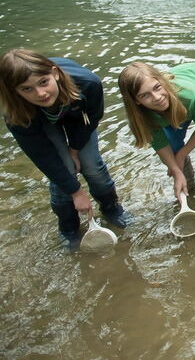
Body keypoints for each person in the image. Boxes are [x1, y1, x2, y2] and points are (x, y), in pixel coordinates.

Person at [0, 49, 133, 243]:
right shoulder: (15, 113)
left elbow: (92, 119)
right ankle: (68, 227)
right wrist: (76, 192)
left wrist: (75, 149)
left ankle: (111, 207)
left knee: (93, 167)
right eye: (26, 89)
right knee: (65, 171)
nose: (40, 93)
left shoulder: (88, 84)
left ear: (54, 72)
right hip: (40, 120)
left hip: (77, 115)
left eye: (43, 82)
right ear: (15, 91)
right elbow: (42, 155)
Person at [118, 61, 195, 199]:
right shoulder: (141, 116)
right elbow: (160, 143)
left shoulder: (193, 95)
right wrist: (175, 169)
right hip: (178, 105)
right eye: (145, 95)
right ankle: (187, 185)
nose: (157, 97)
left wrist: (181, 155)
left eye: (157, 87)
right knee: (172, 148)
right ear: (136, 101)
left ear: (161, 81)